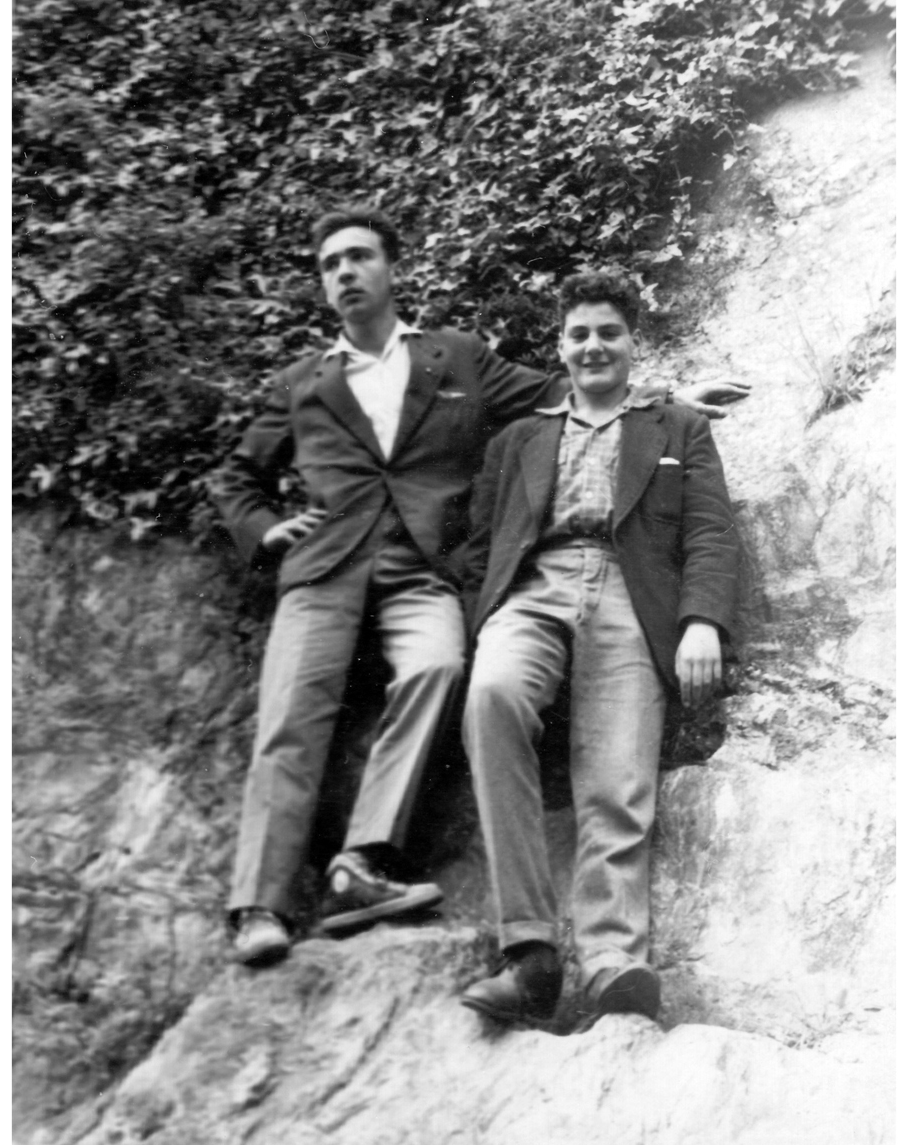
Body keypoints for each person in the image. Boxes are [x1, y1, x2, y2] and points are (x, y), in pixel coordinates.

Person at [210, 211, 747, 967]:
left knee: (440, 669)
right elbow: (236, 476)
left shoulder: (455, 357)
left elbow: (568, 391)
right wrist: (264, 528)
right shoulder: (303, 383)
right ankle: (259, 905)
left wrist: (671, 398)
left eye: (360, 257)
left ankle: (359, 864)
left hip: (421, 572)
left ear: (393, 270)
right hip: (323, 566)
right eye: (331, 264)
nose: (345, 273)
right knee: (290, 719)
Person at [459, 271, 740, 1024]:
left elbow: (711, 530)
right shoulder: (521, 437)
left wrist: (701, 620)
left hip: (627, 591)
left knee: (618, 773)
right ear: (560, 345)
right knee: (490, 696)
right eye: (579, 333)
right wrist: (475, 622)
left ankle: (613, 962)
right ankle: (529, 953)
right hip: (534, 589)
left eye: (608, 332)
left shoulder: (677, 427)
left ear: (631, 342)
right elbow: (482, 548)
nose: (593, 346)